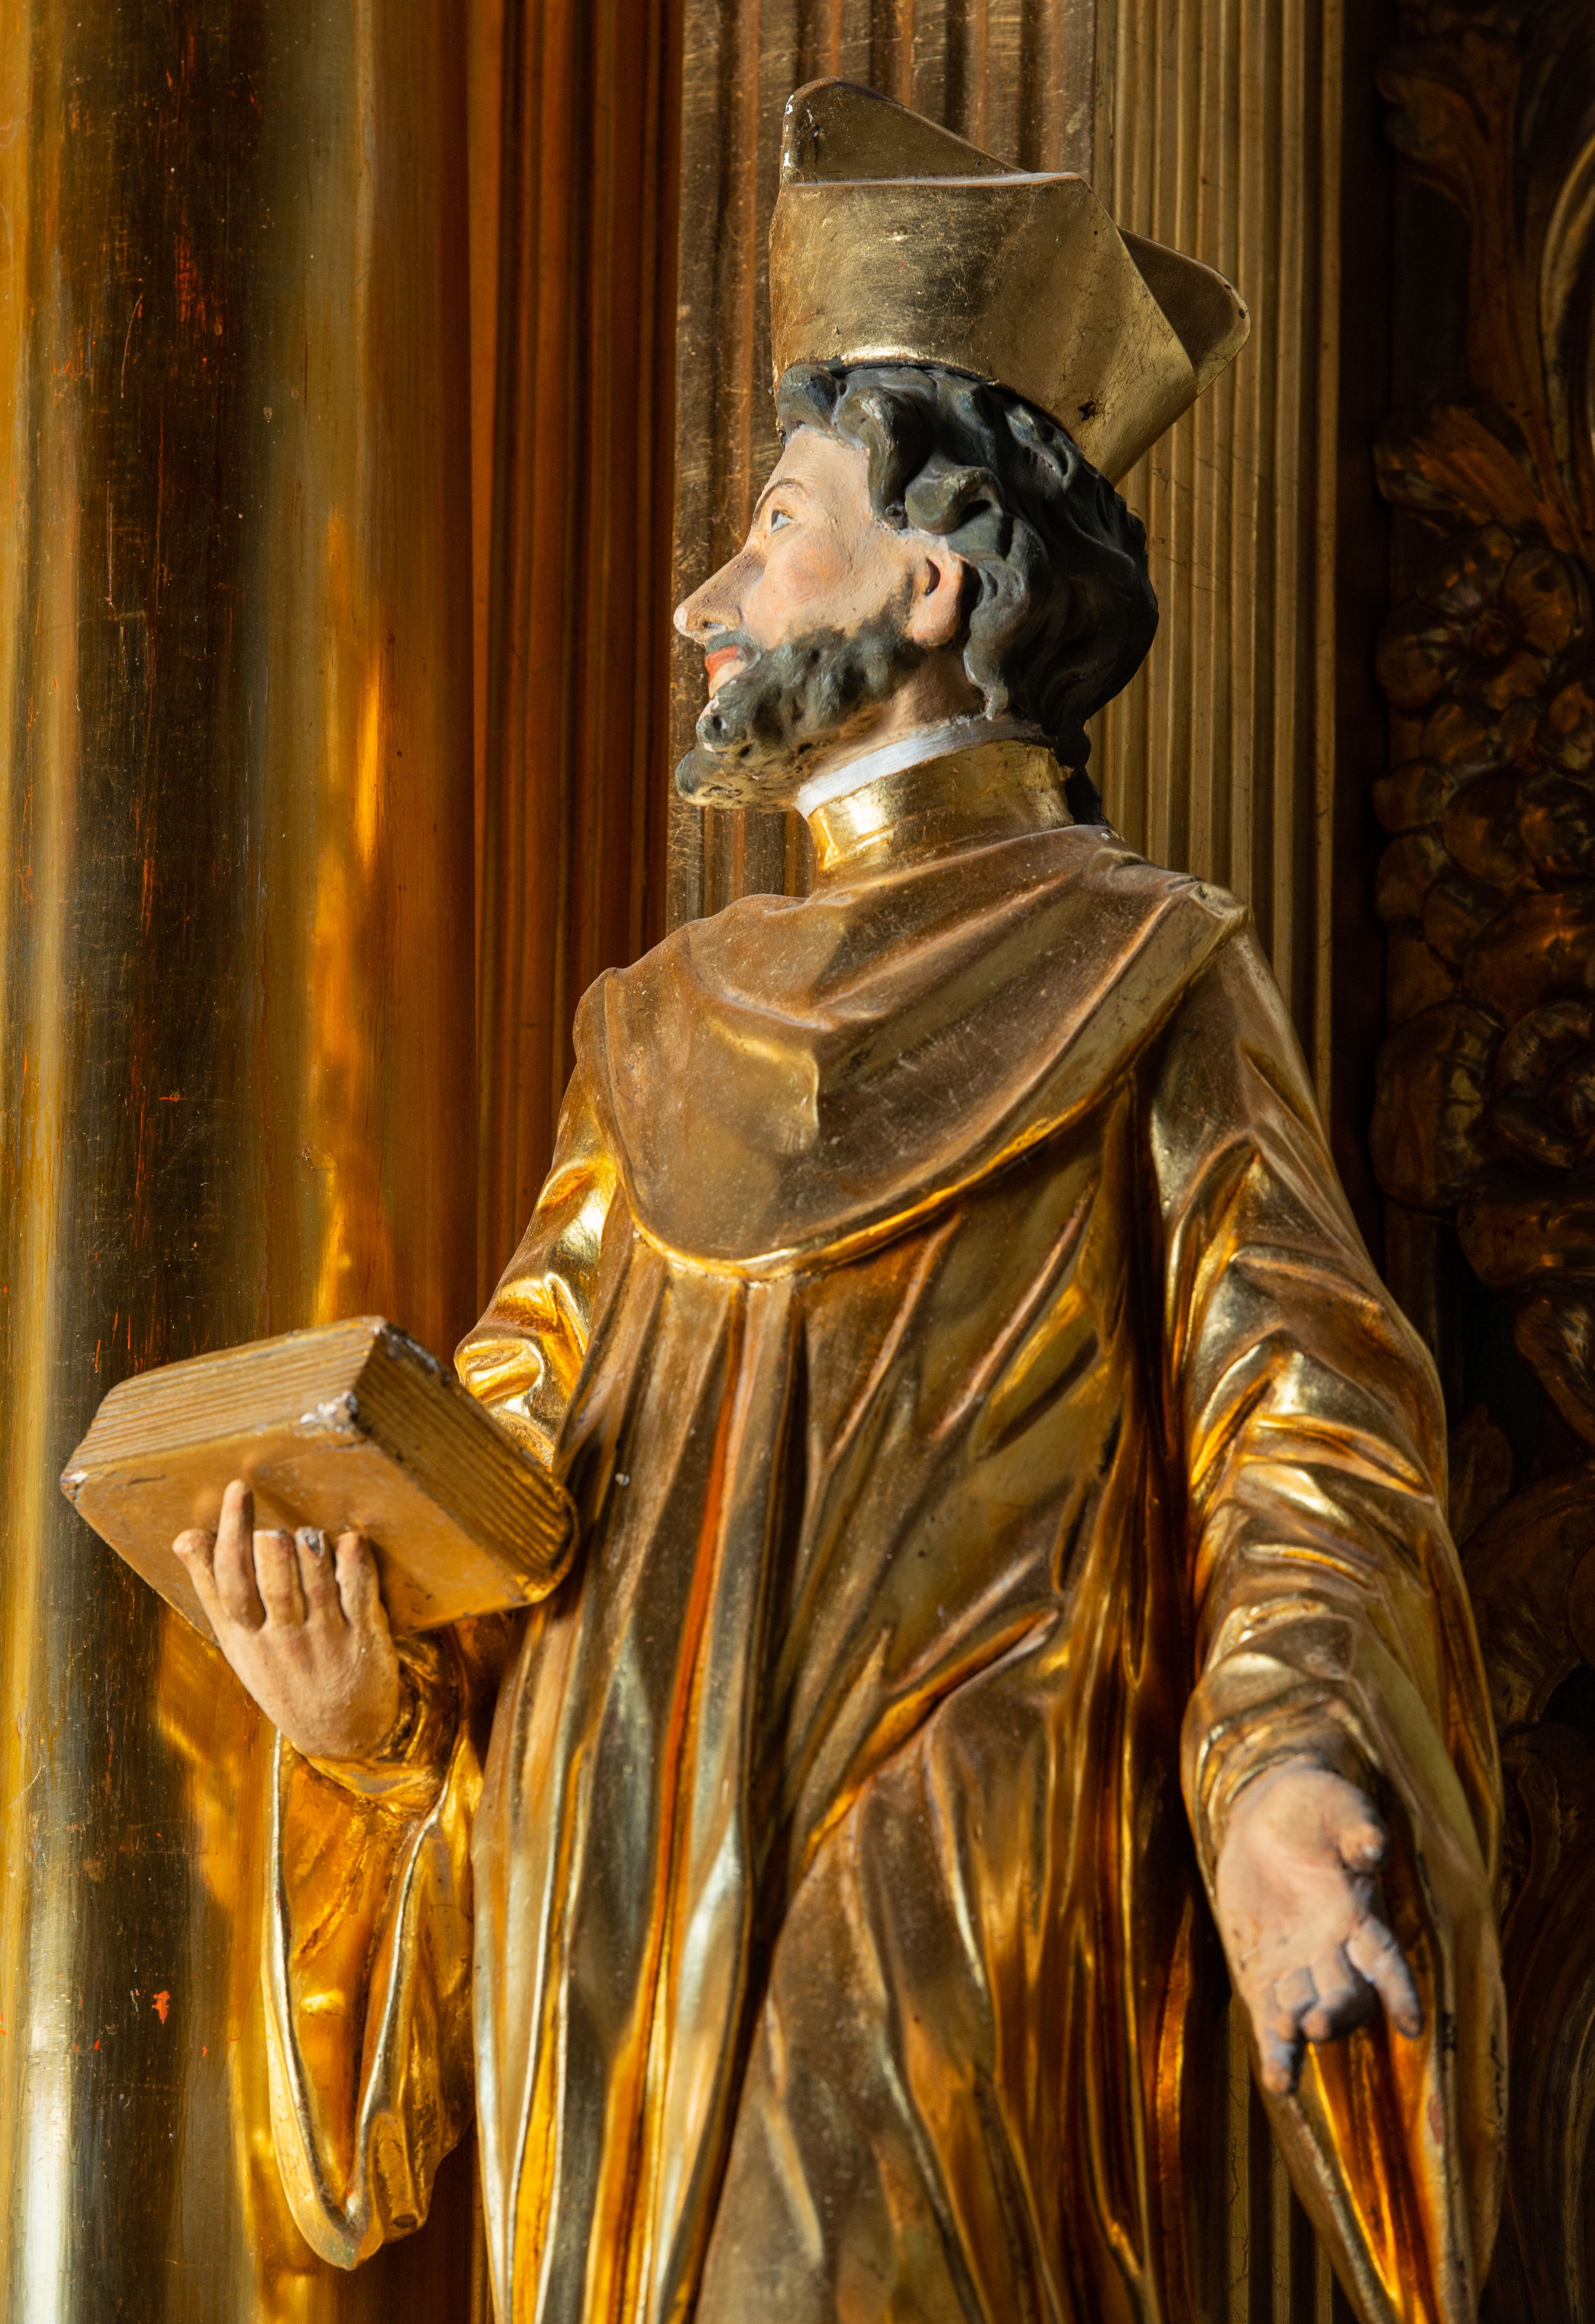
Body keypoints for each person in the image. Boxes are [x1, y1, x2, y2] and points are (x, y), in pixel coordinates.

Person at [174, 80, 1504, 2324]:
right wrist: (368, 1707)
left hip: (937, 1908)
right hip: (611, 1919)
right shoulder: (650, 1029)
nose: (709, 598)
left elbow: (1305, 1428)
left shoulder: (1147, 970)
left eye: (779, 522)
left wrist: (1285, 1758)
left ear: (937, 575)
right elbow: (503, 1467)